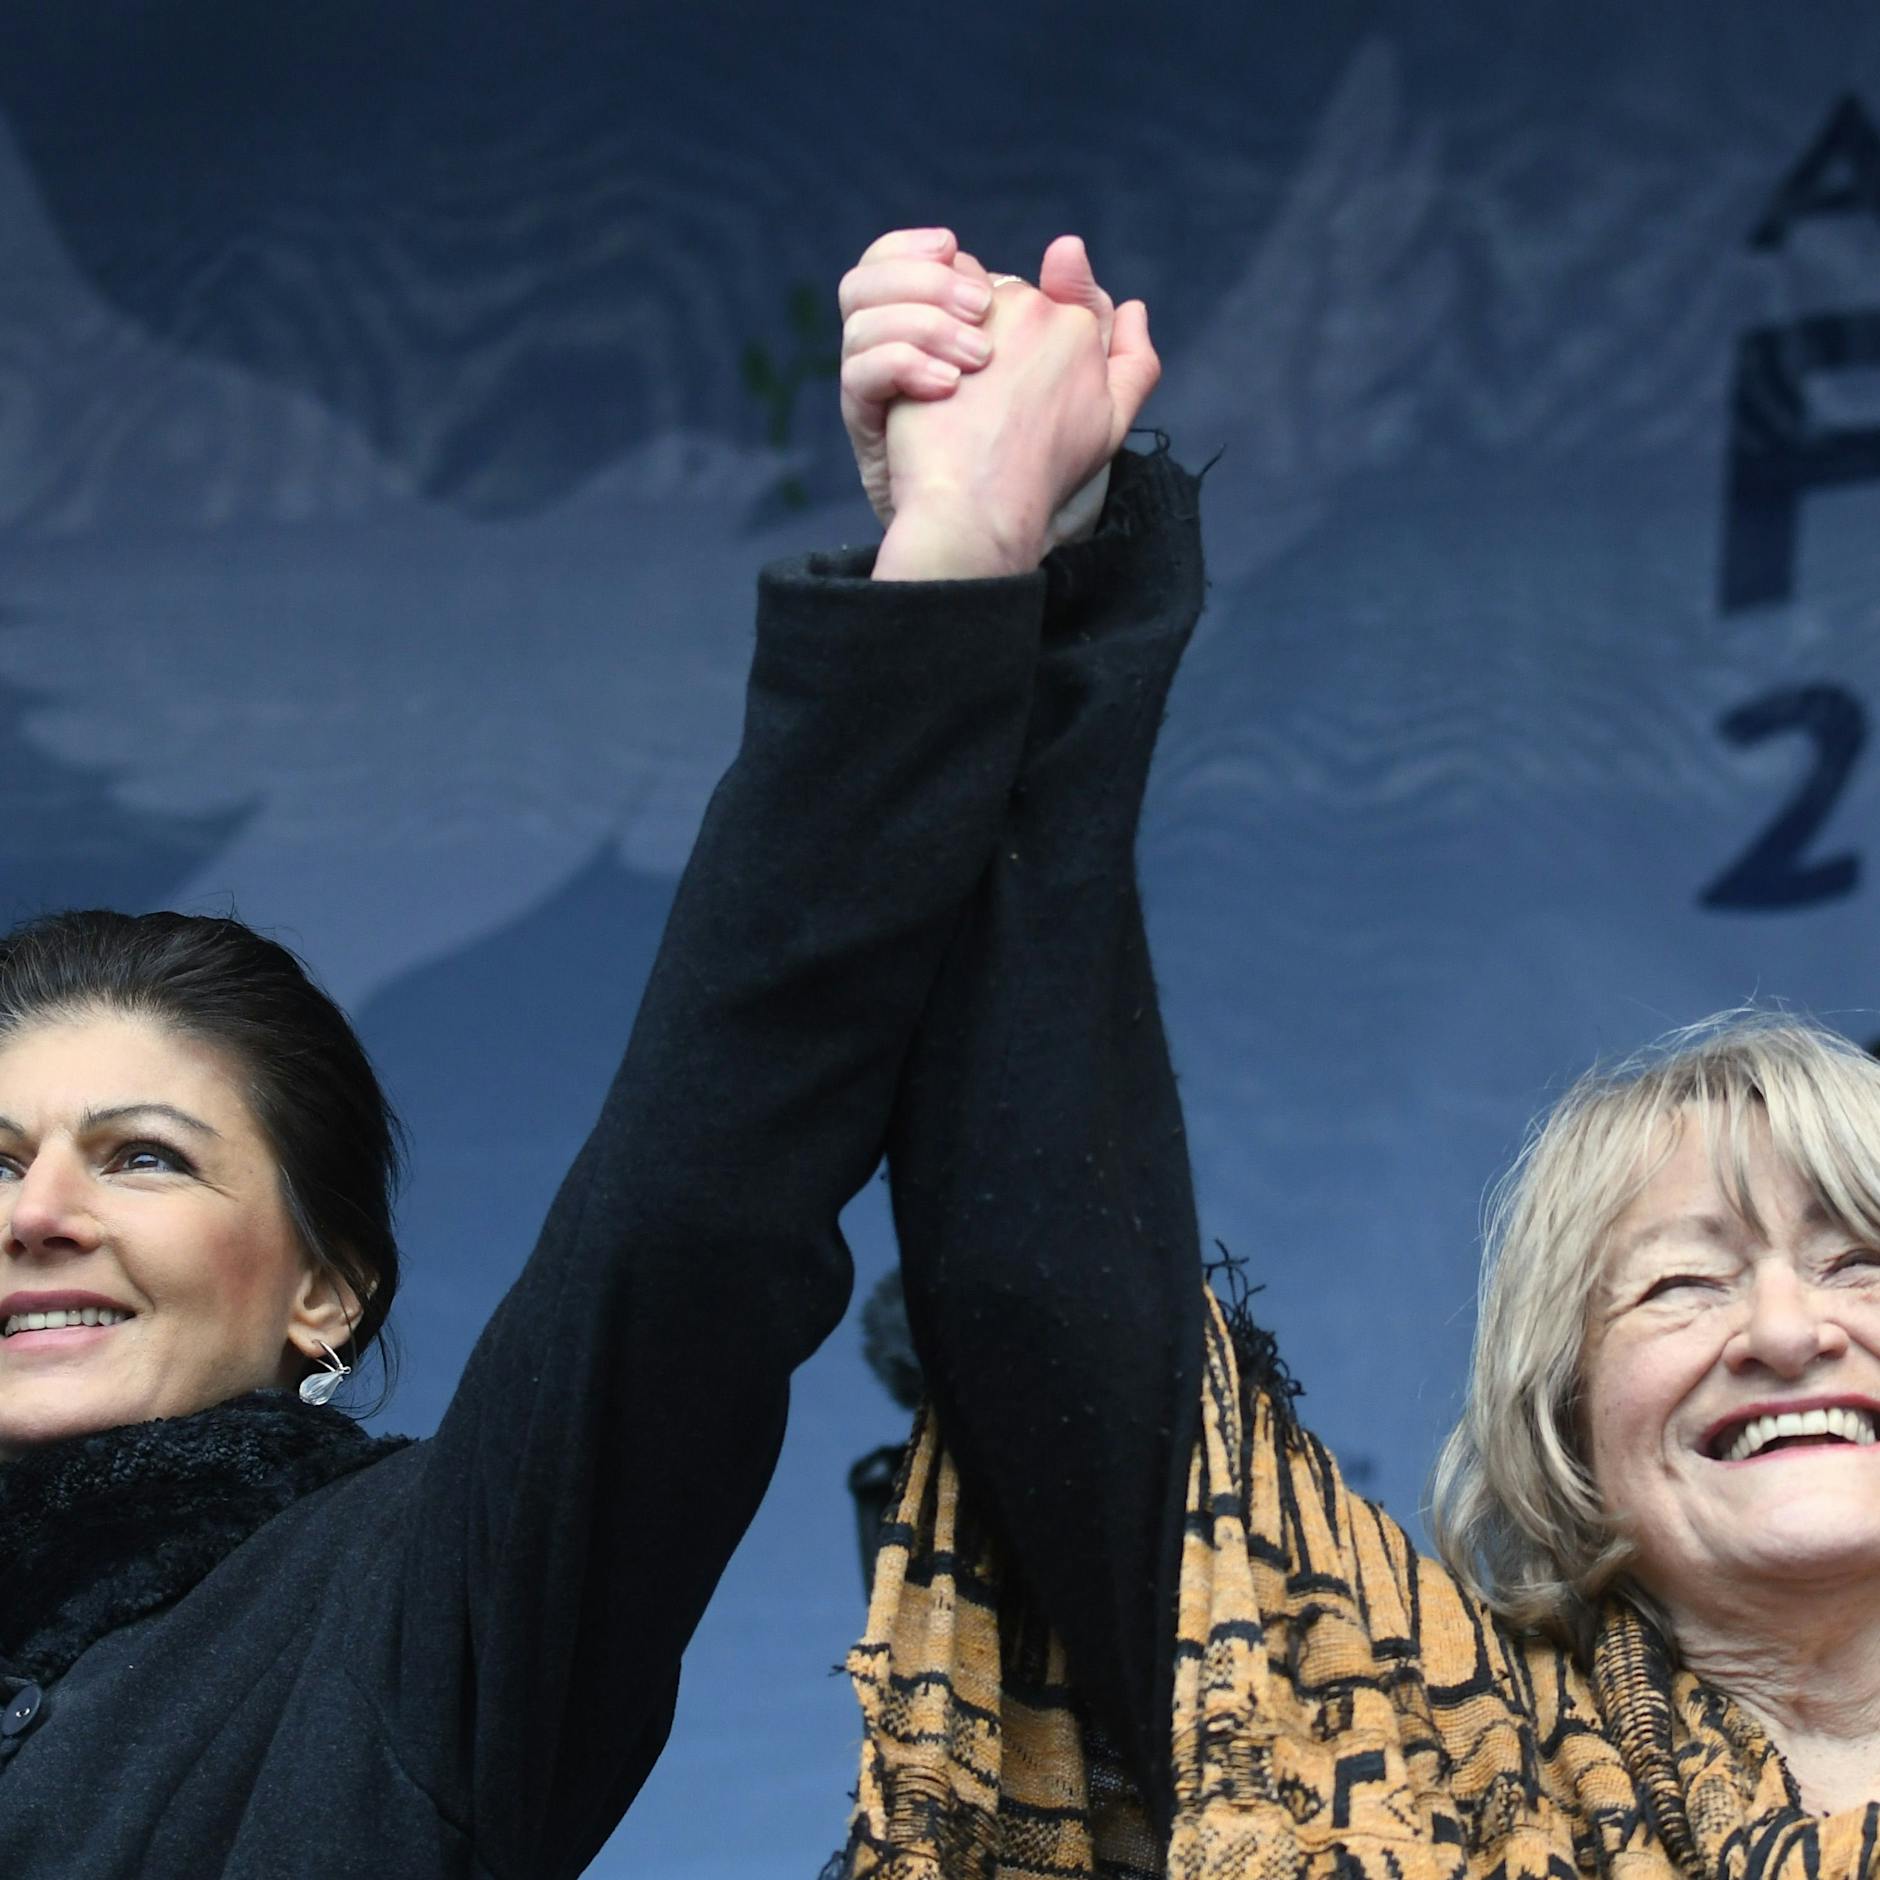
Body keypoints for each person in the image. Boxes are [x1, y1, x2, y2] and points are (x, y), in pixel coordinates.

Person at [0, 228, 1166, 1877]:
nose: (37, 1211)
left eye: (142, 1156)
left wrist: (962, 564)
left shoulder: (408, 1609)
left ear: (328, 1289)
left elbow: (689, 1214)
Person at [835, 232, 1880, 1880]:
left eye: (1862, 1261)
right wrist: (994, 573)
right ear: (1566, 1424)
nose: (1787, 1329)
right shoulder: (1402, 1740)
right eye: (1682, 1285)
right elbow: (1063, 1304)